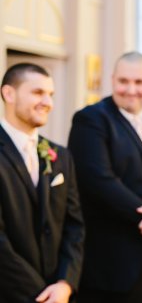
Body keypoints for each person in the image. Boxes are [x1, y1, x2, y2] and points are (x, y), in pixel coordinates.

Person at [68, 52, 142, 302]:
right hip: (115, 264)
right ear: (112, 80)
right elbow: (98, 182)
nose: (131, 90)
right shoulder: (91, 120)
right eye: (123, 81)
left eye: (139, 82)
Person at [0, 63, 84, 302]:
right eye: (38, 92)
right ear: (9, 94)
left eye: (50, 94)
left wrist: (65, 283)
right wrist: (40, 295)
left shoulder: (61, 156)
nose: (48, 102)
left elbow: (74, 226)